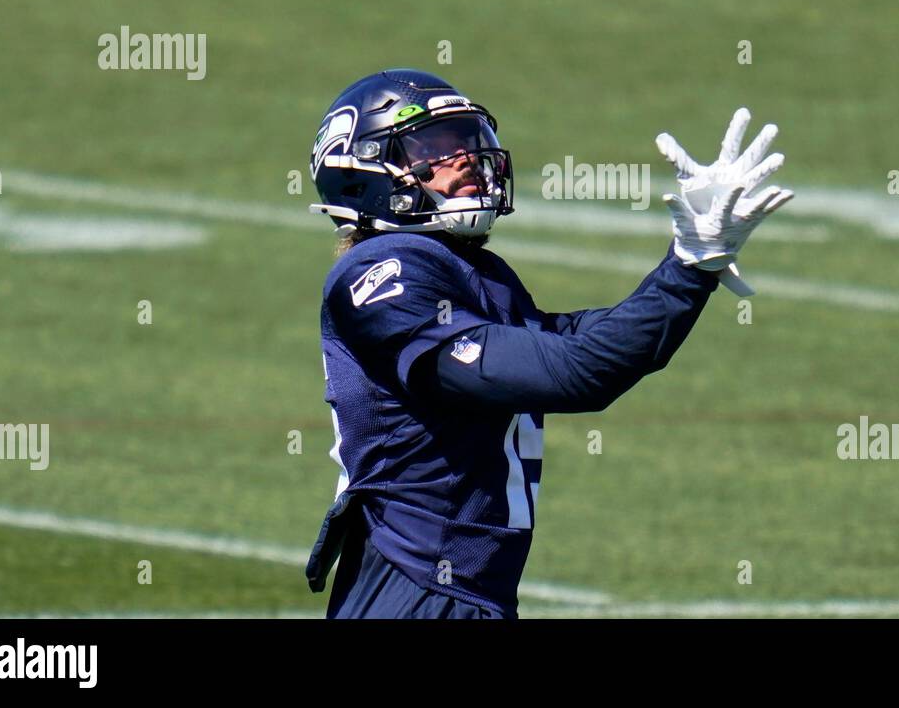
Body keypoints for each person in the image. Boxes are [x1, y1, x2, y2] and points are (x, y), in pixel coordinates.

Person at [303, 68, 792, 618]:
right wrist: (686, 267)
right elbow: (578, 371)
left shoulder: (474, 272)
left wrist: (693, 262)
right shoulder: (381, 271)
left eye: (468, 141)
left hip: (457, 596)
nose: (464, 158)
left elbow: (594, 345)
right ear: (366, 170)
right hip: (418, 592)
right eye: (435, 147)